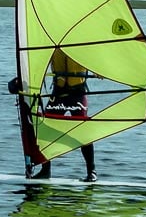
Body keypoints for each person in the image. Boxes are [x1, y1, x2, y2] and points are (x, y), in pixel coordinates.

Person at [32, 49, 97, 182]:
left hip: (77, 93)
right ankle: (45, 170)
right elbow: (39, 61)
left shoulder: (81, 43)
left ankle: (92, 172)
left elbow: (97, 56)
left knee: (83, 132)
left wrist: (99, 69)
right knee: (44, 129)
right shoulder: (53, 45)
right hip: (58, 93)